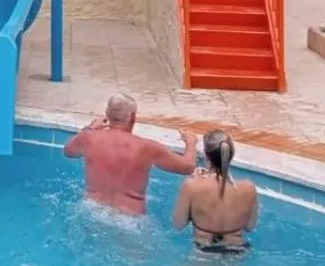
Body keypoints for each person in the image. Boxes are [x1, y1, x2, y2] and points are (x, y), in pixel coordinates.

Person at [63, 93, 197, 216]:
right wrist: (191, 143)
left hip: (92, 211)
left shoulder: (88, 138)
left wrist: (90, 128)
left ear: (107, 114)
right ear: (133, 117)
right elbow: (187, 167)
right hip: (129, 219)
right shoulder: (146, 147)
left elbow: (68, 151)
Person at [172, 130, 259, 254]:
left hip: (204, 253)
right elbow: (250, 227)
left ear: (206, 156)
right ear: (231, 155)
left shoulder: (192, 186)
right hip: (238, 252)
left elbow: (178, 224)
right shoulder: (249, 187)